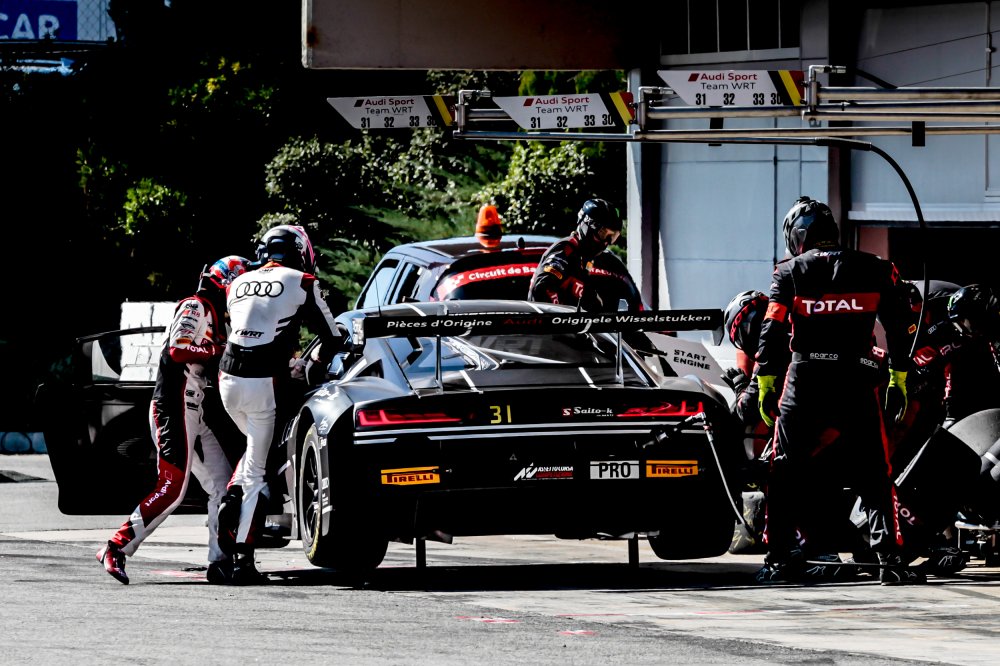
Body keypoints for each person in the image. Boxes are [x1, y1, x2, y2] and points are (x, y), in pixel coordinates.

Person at [754, 196, 924, 585]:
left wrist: (765, 380)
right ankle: (889, 561)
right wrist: (898, 377)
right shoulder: (876, 268)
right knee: (874, 473)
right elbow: (902, 325)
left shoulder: (788, 271)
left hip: (805, 380)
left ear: (798, 237)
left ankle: (778, 558)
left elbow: (772, 328)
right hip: (855, 379)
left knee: (785, 470)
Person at [97, 255, 250, 585]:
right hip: (172, 406)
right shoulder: (195, 306)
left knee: (223, 484)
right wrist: (218, 351)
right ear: (227, 285)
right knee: (172, 489)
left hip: (195, 410)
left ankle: (220, 562)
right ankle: (116, 547)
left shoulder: (214, 317)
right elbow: (178, 350)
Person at [217, 224, 342, 585]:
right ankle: (242, 560)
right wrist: (310, 364)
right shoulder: (303, 280)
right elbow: (333, 336)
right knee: (258, 471)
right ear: (301, 253)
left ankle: (233, 496)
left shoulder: (237, 282)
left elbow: (246, 329)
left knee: (253, 454)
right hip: (261, 385)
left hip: (226, 381)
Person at [528, 198, 643, 312]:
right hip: (544, 322)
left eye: (612, 237)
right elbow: (542, 288)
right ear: (587, 226)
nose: (606, 242)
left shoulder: (585, 258)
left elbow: (587, 299)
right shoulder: (565, 249)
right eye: (603, 233)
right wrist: (562, 317)